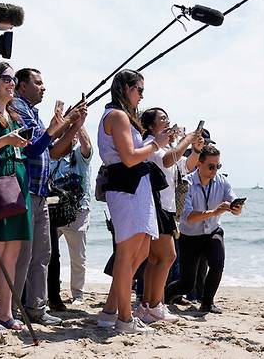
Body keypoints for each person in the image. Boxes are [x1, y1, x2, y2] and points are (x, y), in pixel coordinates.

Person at [0, 62, 66, 333]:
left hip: (19, 186)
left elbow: (32, 152)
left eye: (11, 79)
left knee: (13, 252)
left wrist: (52, 130)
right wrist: (4, 141)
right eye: (5, 79)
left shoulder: (16, 117)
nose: (10, 83)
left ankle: (6, 314)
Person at [12, 67, 85, 325]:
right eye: (38, 83)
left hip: (41, 192)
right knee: (24, 254)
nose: (43, 87)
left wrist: (74, 126)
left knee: (43, 254)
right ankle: (15, 309)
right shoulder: (17, 108)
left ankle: (37, 308)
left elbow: (53, 153)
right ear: (21, 85)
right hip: (25, 191)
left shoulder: (34, 113)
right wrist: (62, 123)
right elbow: (31, 150)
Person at [96, 69, 161, 334]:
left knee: (142, 251)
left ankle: (110, 311)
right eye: (139, 89)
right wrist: (156, 144)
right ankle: (124, 318)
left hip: (137, 187)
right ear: (125, 88)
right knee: (126, 254)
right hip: (126, 186)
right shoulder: (117, 115)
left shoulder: (124, 116)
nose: (142, 96)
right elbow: (130, 157)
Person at [135, 108, 204, 323]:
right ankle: (155, 305)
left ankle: (148, 305)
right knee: (168, 256)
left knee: (156, 258)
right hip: (155, 206)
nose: (167, 123)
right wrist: (187, 139)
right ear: (150, 126)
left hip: (165, 207)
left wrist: (196, 151)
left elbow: (183, 166)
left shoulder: (164, 145)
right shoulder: (149, 143)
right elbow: (166, 161)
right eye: (162, 119)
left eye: (167, 118)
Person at [164, 144, 243, 314]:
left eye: (218, 166)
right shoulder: (187, 183)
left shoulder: (222, 181)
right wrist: (214, 212)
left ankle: (207, 303)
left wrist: (236, 208)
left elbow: (234, 202)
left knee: (217, 263)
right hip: (190, 236)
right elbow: (189, 217)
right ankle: (164, 296)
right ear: (199, 164)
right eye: (211, 166)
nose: (215, 170)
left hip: (213, 231)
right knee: (187, 283)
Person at [47, 126, 93, 310]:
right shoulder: (52, 154)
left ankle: (77, 294)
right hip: (55, 211)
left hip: (78, 211)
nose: (70, 138)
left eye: (72, 135)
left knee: (77, 257)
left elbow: (87, 145)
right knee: (48, 254)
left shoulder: (80, 156)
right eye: (67, 134)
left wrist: (79, 124)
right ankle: (50, 290)